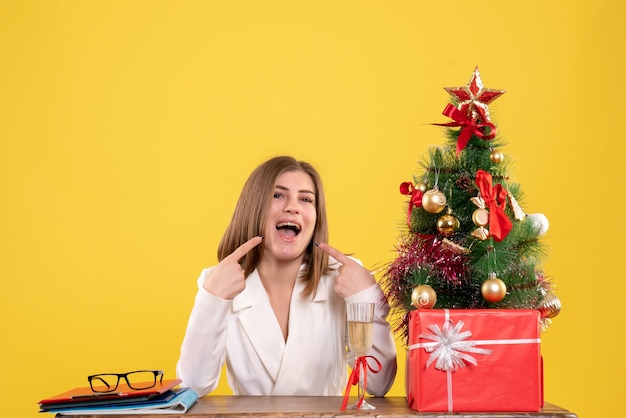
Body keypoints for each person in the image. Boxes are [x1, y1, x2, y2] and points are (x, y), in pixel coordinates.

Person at [176, 155, 397, 397]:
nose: (292, 207)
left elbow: (379, 383)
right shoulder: (220, 282)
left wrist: (366, 297)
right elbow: (192, 385)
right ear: (254, 207)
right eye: (278, 195)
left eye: (305, 199)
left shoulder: (343, 279)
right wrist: (212, 299)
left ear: (316, 217)